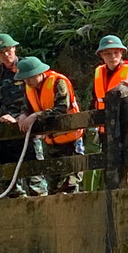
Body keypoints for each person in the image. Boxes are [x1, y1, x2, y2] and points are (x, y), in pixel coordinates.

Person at [0, 33, 47, 197]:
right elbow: (3, 98)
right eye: (1, 53)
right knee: (8, 167)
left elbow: (34, 97)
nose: (6, 55)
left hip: (27, 121)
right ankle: (15, 200)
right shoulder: (0, 73)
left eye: (8, 50)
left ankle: (41, 200)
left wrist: (19, 117)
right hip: (7, 124)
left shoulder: (27, 67)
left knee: (34, 167)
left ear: (14, 49)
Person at [15, 55, 82, 191]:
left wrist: (36, 115)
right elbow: (26, 106)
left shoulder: (59, 82)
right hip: (50, 142)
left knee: (69, 184)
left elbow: (62, 108)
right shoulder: (29, 88)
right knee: (52, 186)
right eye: (25, 78)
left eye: (31, 77)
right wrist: (23, 115)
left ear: (40, 73)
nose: (28, 81)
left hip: (70, 140)